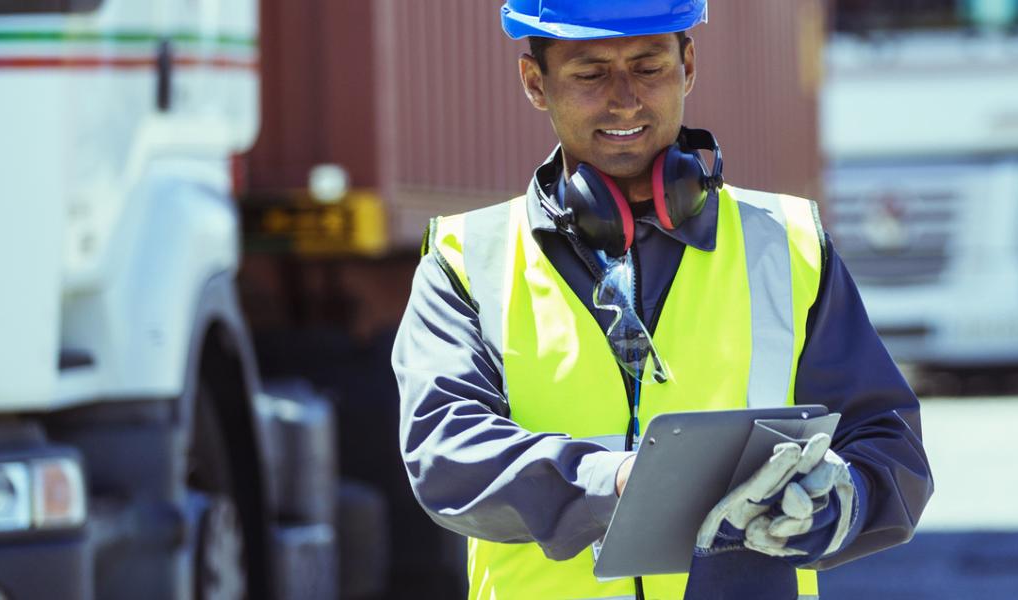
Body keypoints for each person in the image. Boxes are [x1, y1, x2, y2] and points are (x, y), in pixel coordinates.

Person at [391, 1, 933, 597]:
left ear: (688, 65)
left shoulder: (788, 243)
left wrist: (833, 506)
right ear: (534, 83)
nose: (625, 99)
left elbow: (889, 446)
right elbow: (446, 454)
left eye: (648, 67)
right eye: (590, 73)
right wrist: (621, 484)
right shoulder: (468, 259)